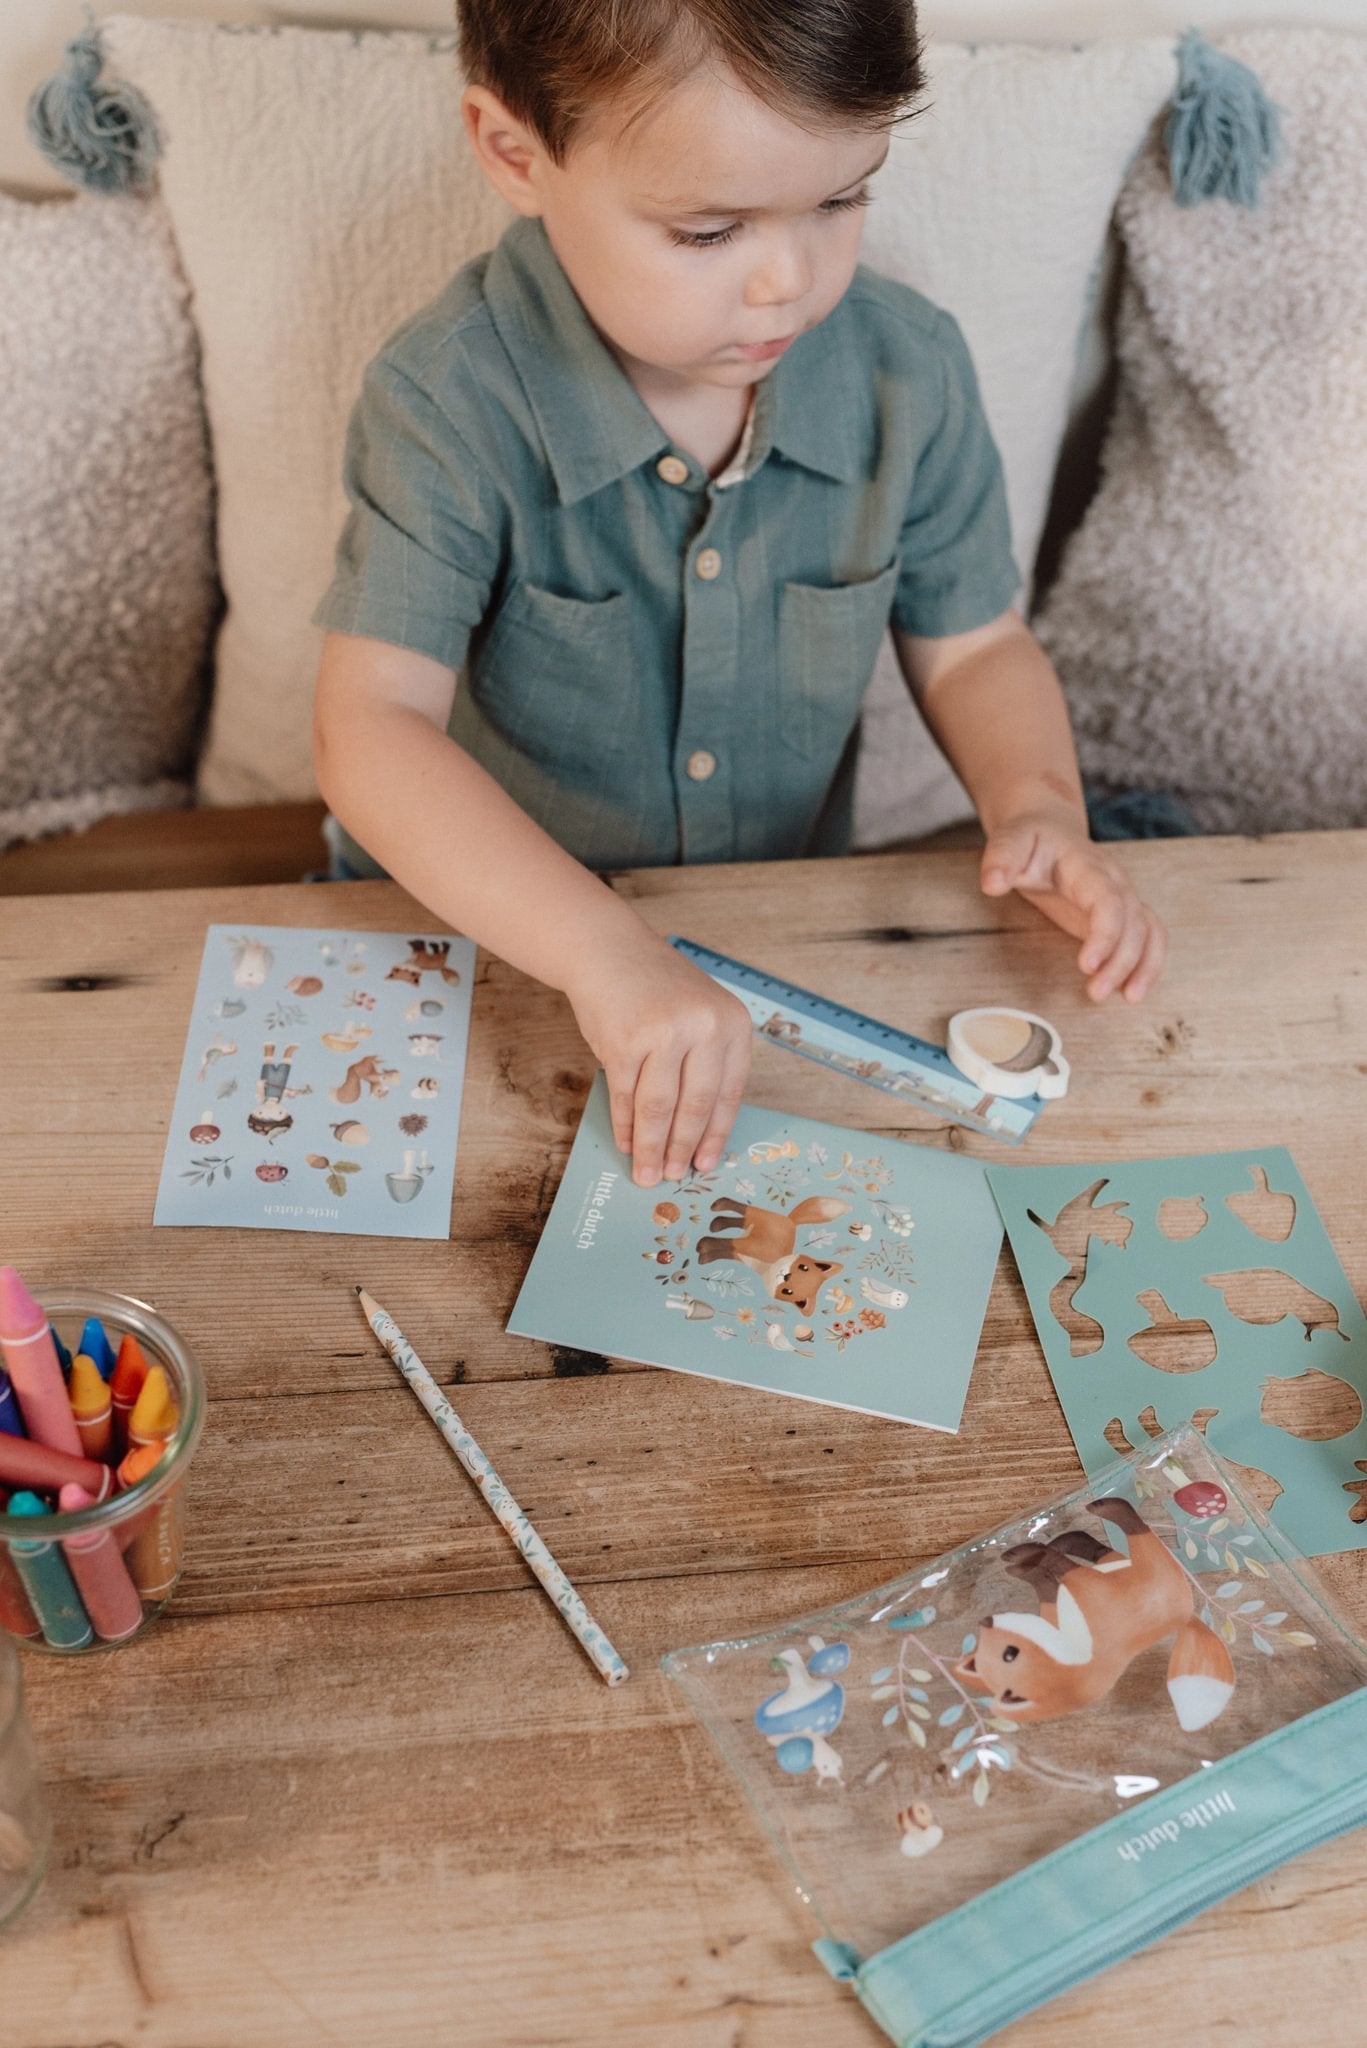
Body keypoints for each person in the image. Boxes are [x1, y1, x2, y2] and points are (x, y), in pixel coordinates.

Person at [312, 0, 1166, 1190]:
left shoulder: (904, 369)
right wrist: (605, 955)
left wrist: (1038, 808)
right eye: (708, 231)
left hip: (768, 938)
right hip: (467, 946)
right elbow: (370, 730)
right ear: (515, 154)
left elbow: (973, 647)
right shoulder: (446, 398)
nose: (787, 282)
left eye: (839, 199)